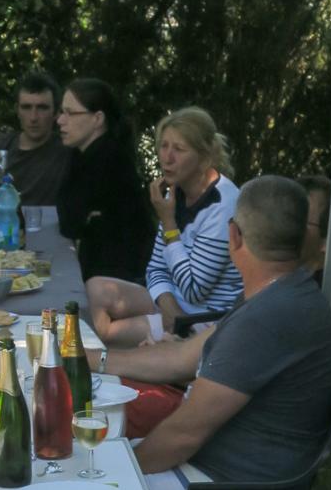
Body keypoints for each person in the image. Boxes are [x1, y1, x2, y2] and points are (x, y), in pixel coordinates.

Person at [135, 176, 331, 490]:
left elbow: (183, 435)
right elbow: (184, 356)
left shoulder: (269, 315)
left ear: (234, 236)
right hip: (232, 480)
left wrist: (126, 471)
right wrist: (93, 360)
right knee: (97, 462)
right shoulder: (284, 292)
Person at [86, 107, 240, 349]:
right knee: (95, 289)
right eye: (164, 146)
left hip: (205, 317)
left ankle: (154, 364)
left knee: (106, 334)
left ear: (205, 157)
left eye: (178, 149)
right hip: (177, 304)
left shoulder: (222, 205)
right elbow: (156, 268)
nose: (166, 158)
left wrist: (169, 224)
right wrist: (170, 309)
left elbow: (194, 290)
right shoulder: (177, 192)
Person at [54, 78, 155, 286]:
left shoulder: (111, 162)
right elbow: (70, 220)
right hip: (102, 275)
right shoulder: (81, 155)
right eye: (61, 112)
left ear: (97, 119)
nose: (60, 120)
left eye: (70, 113)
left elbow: (73, 223)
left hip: (121, 281)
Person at [0, 70, 72, 205]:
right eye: (26, 107)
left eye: (42, 108)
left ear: (56, 113)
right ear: (17, 110)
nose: (33, 117)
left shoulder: (68, 153)